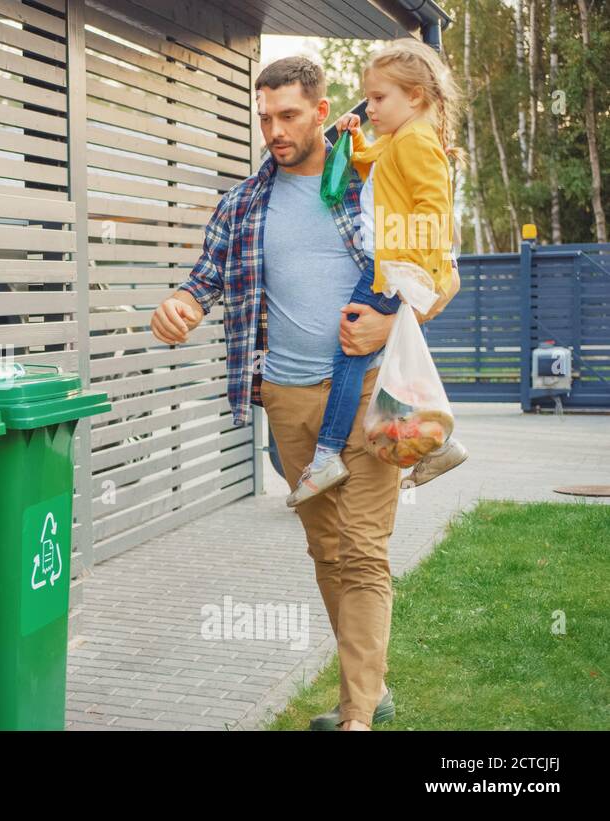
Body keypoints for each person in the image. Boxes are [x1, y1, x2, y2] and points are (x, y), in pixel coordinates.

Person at [149, 55, 459, 731]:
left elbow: (442, 270)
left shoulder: (369, 182)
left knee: (364, 550)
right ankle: (369, 689)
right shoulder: (243, 204)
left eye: (288, 115)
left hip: (374, 389)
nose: (274, 130)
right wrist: (177, 305)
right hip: (287, 400)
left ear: (322, 111)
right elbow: (202, 280)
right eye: (264, 117)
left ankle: (356, 718)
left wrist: (395, 315)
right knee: (326, 551)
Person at [286, 39, 469, 509]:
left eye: (379, 98)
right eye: (367, 98)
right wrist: (355, 138)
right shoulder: (398, 138)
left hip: (391, 269)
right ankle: (436, 444)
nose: (369, 106)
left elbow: (436, 209)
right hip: (387, 267)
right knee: (386, 358)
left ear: (416, 97)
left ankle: (328, 453)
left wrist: (416, 273)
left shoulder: (418, 143)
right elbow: (371, 164)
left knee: (350, 347)